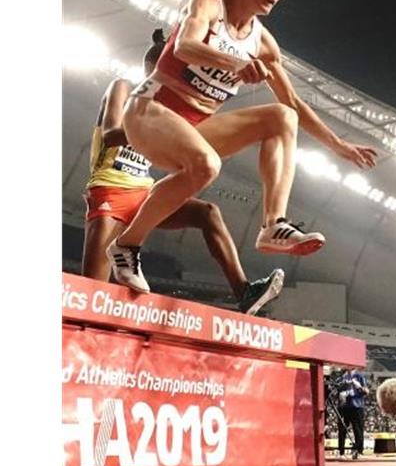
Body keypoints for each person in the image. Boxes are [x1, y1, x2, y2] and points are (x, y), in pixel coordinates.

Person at [107, 0, 377, 293]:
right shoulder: (207, 4)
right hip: (150, 111)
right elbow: (184, 46)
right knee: (206, 165)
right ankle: (126, 246)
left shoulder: (264, 44)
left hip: (192, 127)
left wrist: (338, 145)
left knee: (281, 117)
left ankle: (272, 225)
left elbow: (293, 102)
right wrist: (235, 62)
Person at [82, 29, 284, 315]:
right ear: (157, 69)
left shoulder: (168, 110)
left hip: (143, 193)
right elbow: (113, 135)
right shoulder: (124, 88)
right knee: (92, 295)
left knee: (208, 213)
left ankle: (245, 293)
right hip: (110, 190)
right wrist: (152, 127)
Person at [336, 368, 368, 460]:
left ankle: (358, 451)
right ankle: (341, 451)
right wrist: (341, 394)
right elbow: (336, 391)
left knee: (358, 430)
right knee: (342, 430)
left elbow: (366, 391)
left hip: (356, 407)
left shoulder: (359, 376)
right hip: (343, 407)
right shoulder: (341, 378)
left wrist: (359, 387)